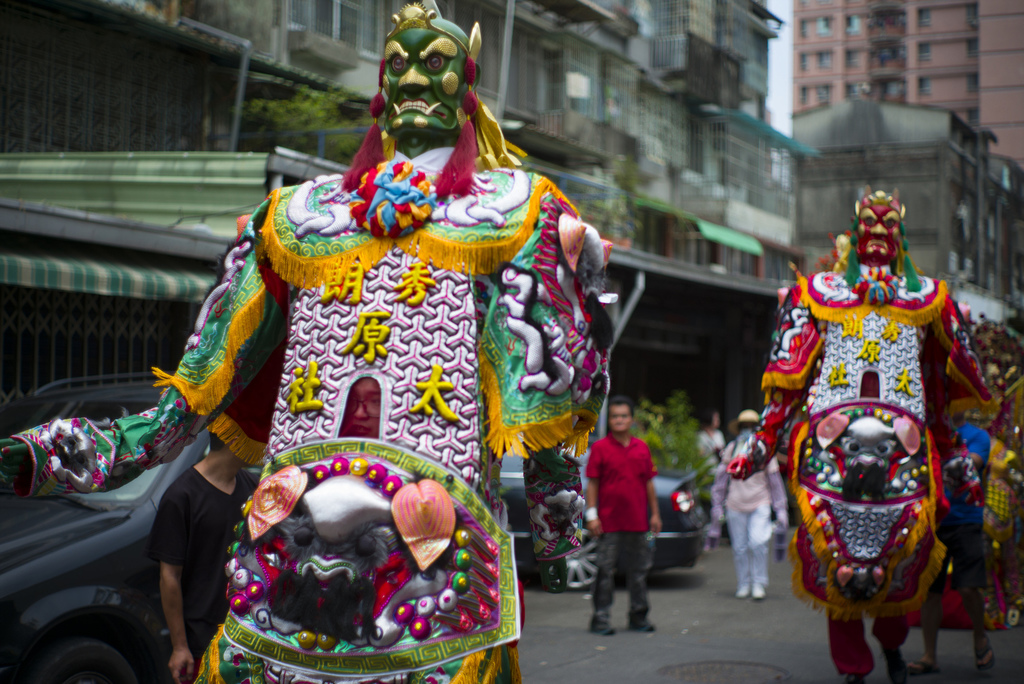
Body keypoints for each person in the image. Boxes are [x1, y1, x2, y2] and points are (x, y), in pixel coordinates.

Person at [0, 4, 614, 682]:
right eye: (400, 63)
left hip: (432, 569)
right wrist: (70, 455)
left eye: (434, 63)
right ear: (381, 85)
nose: (413, 76)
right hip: (285, 561)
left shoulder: (517, 211)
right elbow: (194, 391)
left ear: (464, 85)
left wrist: (557, 529)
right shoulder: (296, 217)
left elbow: (548, 406)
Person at [727, 188, 993, 684]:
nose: (877, 231)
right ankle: (851, 667)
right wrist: (762, 440)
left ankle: (892, 647)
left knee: (898, 560)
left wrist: (955, 459)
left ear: (900, 235)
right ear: (855, 229)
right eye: (868, 222)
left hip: (905, 451)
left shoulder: (927, 301)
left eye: (887, 222)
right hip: (831, 450)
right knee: (836, 565)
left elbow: (936, 394)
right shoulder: (818, 294)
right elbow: (789, 381)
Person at [147, 434, 259, 683]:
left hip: (244, 636)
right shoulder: (181, 496)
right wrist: (179, 647)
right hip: (201, 642)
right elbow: (169, 577)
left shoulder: (252, 486)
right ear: (234, 439)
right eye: (254, 435)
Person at [907, 413, 995, 674]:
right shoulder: (927, 433)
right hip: (934, 522)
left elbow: (972, 463)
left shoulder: (978, 436)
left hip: (966, 519)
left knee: (969, 587)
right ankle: (929, 656)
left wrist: (940, 454)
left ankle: (980, 638)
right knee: (930, 592)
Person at [585, 395, 661, 635]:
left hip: (638, 522)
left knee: (639, 572)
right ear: (610, 420)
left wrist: (655, 515)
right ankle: (601, 619)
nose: (619, 420)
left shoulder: (642, 448)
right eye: (615, 416)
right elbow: (592, 484)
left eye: (624, 416)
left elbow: (648, 483)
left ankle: (638, 617)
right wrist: (592, 515)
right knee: (605, 572)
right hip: (608, 523)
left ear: (632, 419)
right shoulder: (599, 448)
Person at [708, 409, 788, 600]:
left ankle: (759, 582)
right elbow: (720, 481)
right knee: (740, 547)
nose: (748, 431)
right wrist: (717, 506)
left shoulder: (765, 451)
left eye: (752, 427)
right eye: (744, 427)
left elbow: (775, 483)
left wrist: (781, 509)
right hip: (735, 504)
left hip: (760, 501)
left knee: (758, 542)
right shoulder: (731, 449)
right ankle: (744, 583)